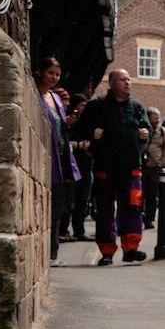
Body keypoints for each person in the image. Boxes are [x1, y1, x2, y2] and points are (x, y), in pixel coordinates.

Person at [73, 68, 151, 265]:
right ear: (112, 83)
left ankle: (131, 248)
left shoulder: (137, 106)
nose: (127, 83)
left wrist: (145, 134)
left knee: (133, 208)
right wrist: (92, 134)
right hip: (105, 167)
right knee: (105, 210)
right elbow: (78, 129)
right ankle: (107, 251)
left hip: (132, 167)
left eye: (129, 79)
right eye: (122, 79)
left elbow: (147, 128)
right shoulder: (97, 105)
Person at [34, 57, 81, 267]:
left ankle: (53, 253)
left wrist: (67, 122)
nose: (54, 78)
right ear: (40, 72)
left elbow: (59, 127)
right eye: (50, 73)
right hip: (45, 157)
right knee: (44, 207)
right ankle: (46, 253)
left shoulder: (54, 96)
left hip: (61, 159)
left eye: (57, 74)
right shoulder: (36, 94)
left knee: (58, 208)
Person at [63, 93, 94, 241]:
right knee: (68, 200)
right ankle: (63, 230)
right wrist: (79, 145)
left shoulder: (89, 122)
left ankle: (79, 231)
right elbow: (64, 142)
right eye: (82, 105)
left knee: (82, 200)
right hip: (71, 165)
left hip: (86, 166)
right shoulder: (69, 122)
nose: (84, 108)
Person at [141, 107, 165, 229]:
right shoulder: (143, 129)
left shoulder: (162, 131)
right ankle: (139, 218)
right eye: (155, 118)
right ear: (149, 118)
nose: (158, 120)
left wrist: (162, 163)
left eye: (158, 117)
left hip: (155, 168)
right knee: (139, 194)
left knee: (152, 195)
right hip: (143, 166)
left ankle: (149, 219)